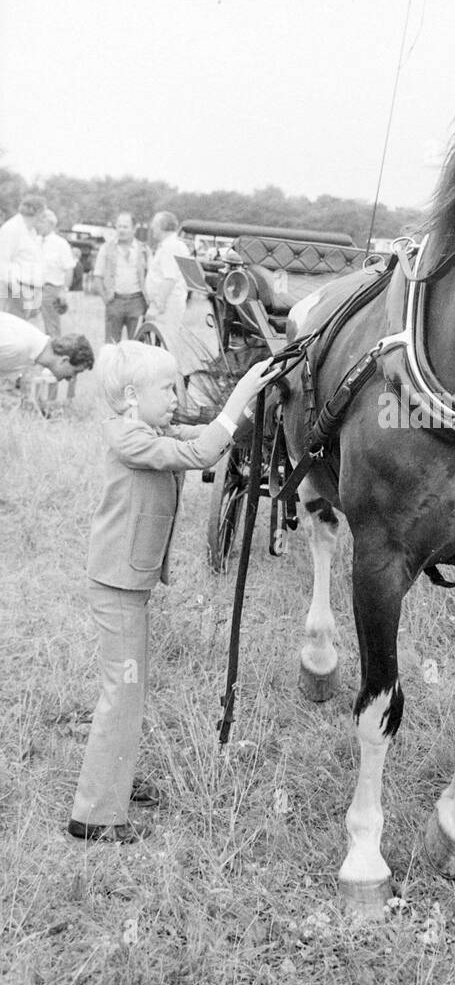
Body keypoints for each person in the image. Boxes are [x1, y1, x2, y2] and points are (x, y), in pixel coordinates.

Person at [68, 340, 275, 845]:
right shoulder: (129, 438)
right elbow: (201, 452)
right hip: (117, 586)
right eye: (169, 388)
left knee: (129, 687)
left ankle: (112, 776)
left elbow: (211, 435)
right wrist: (242, 389)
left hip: (126, 583)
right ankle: (95, 814)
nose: (178, 397)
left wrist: (250, 407)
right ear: (133, 396)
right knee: (124, 689)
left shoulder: (150, 427)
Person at [144, 211, 193, 371]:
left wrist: (156, 306)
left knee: (168, 345)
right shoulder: (175, 245)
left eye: (154, 226)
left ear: (162, 227)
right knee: (169, 344)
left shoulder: (170, 247)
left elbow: (169, 279)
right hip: (173, 303)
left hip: (168, 306)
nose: (153, 230)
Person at [93, 213, 149, 343]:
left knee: (137, 345)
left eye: (125, 227)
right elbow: (97, 275)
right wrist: (105, 298)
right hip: (115, 301)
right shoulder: (106, 248)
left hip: (137, 302)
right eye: (119, 226)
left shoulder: (144, 250)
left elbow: (151, 277)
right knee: (111, 345)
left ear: (134, 229)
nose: (121, 230)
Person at [0, 312, 94, 381]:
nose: (72, 379)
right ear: (64, 360)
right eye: (75, 372)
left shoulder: (32, 345)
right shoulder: (19, 347)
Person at [0, 193, 47, 318]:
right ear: (35, 211)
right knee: (11, 332)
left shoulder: (31, 232)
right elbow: (3, 262)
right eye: (43, 212)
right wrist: (18, 293)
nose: (44, 217)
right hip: (14, 292)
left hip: (29, 291)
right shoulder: (11, 229)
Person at [34, 209, 75, 338]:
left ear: (51, 224)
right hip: (33, 288)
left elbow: (69, 268)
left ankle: (55, 354)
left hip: (51, 289)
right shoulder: (34, 241)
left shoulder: (61, 244)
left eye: (41, 222)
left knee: (52, 328)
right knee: (34, 326)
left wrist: (64, 290)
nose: (38, 225)